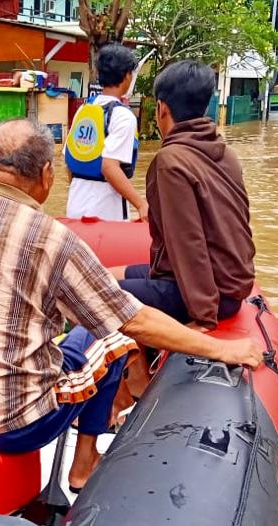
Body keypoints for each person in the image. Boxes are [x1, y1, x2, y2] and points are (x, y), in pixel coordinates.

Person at [0, 119, 263, 491]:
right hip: (21, 423)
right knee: (113, 338)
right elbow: (133, 321)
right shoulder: (53, 240)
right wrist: (222, 349)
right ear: (46, 173)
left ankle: (116, 403)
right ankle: (84, 461)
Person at [109, 61, 256, 331]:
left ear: (161, 108)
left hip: (206, 295)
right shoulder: (226, 153)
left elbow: (188, 242)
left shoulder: (170, 161)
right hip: (226, 286)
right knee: (107, 275)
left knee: (93, 295)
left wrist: (204, 316)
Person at [64, 44, 147, 221]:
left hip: (75, 204)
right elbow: (109, 167)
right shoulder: (123, 116)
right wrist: (141, 204)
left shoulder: (84, 110)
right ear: (127, 75)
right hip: (106, 210)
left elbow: (70, 161)